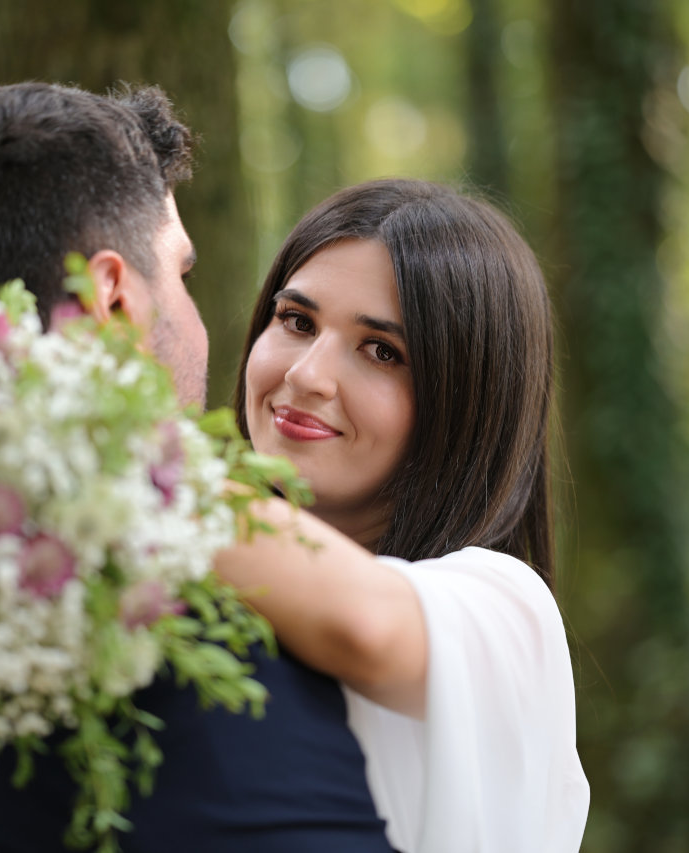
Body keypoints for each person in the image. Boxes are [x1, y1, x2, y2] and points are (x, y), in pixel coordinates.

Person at [0, 82, 396, 853]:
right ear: (112, 294)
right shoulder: (235, 643)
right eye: (182, 275)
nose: (199, 317)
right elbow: (382, 628)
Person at [210, 179, 590, 852]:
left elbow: (364, 625)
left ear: (464, 404)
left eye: (382, 351)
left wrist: (111, 455)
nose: (308, 375)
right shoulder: (198, 579)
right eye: (296, 320)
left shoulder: (505, 606)